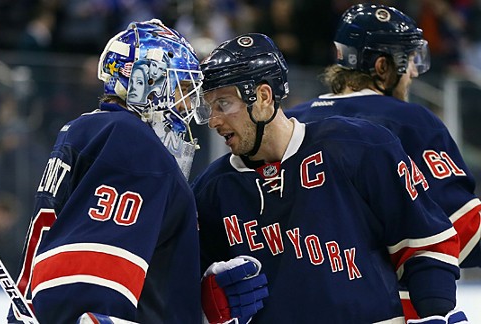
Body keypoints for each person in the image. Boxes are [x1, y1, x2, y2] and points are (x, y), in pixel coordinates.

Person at [192, 33, 468, 323]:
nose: (213, 120)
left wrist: (434, 310)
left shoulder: (359, 146)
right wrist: (207, 297)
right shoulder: (211, 191)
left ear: (262, 97)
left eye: (222, 104)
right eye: (208, 107)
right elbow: (185, 288)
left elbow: (425, 241)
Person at [285, 3, 481, 320]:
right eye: (408, 60)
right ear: (381, 66)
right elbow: (461, 229)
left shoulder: (291, 122)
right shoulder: (409, 121)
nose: (414, 72)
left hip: (300, 304)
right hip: (388, 307)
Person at [7, 19, 204, 324]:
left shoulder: (88, 128)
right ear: (145, 81)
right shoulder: (132, 141)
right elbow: (93, 277)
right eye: (182, 89)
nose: (188, 105)